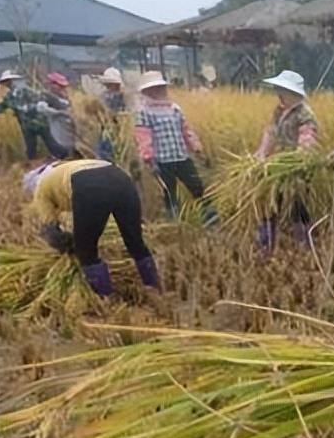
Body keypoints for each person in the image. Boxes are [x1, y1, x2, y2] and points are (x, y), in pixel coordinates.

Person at [23, 159, 161, 296]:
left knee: (86, 252)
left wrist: (69, 247)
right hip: (121, 178)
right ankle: (156, 289)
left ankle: (106, 300)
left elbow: (51, 230)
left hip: (88, 184)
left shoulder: (40, 190)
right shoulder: (64, 170)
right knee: (135, 241)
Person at [133, 71, 213, 223]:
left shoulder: (174, 108)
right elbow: (143, 136)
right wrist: (148, 157)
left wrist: (196, 147)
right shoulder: (144, 112)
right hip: (162, 161)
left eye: (160, 87)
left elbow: (186, 130)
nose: (158, 91)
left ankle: (210, 218)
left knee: (198, 188)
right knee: (169, 194)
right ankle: (175, 224)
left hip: (181, 156)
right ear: (147, 91)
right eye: (154, 88)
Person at [255, 69, 319, 247]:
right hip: (277, 167)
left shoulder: (304, 115)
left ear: (292, 93)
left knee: (298, 206)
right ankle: (266, 241)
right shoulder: (280, 111)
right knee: (270, 202)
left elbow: (306, 144)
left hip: (296, 169)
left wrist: (294, 160)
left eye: (281, 91)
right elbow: (271, 133)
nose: (278, 95)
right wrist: (261, 154)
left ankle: (304, 243)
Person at [0, 69, 65, 160]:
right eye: (5, 82)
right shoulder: (9, 97)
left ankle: (65, 157)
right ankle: (31, 165)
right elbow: (1, 107)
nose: (7, 84)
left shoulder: (26, 91)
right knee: (30, 149)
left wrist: (30, 108)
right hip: (26, 125)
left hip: (39, 121)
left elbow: (39, 100)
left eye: (8, 81)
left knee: (51, 144)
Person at [38, 72, 79, 158]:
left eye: (62, 86)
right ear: (52, 85)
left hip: (70, 134)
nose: (61, 88)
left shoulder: (68, 98)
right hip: (57, 133)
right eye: (58, 85)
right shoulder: (47, 97)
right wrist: (58, 113)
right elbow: (41, 108)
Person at [94, 67, 127, 163]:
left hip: (121, 129)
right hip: (107, 127)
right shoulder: (103, 96)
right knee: (105, 151)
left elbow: (128, 112)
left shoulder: (124, 96)